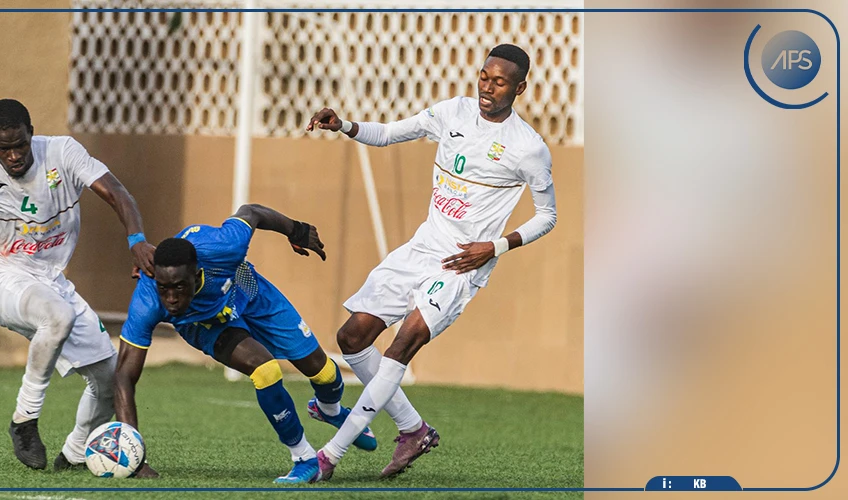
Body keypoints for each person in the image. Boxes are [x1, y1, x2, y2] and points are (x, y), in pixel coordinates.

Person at [304, 44, 558, 480]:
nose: (487, 87)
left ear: (520, 88)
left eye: (499, 82)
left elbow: (548, 215)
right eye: (484, 76)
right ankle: (413, 429)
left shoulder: (528, 148)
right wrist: (343, 125)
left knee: (404, 342)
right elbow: (386, 134)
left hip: (462, 265)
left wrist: (495, 246)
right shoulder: (451, 113)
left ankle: (329, 455)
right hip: (421, 247)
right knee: (352, 336)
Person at [0, 98, 156, 471]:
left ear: (31, 133)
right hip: (1, 279)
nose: (14, 156)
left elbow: (117, 194)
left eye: (20, 145)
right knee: (57, 316)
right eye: (3, 148)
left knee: (109, 378)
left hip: (53, 281)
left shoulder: (62, 152)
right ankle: (25, 421)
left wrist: (137, 240)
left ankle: (75, 454)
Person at [114, 204, 377, 483]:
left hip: (250, 292)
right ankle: (303, 457)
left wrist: (296, 230)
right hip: (205, 325)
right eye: (163, 289)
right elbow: (123, 376)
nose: (171, 299)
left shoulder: (223, 247)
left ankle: (328, 409)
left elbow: (251, 212)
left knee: (323, 372)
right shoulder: (147, 298)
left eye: (179, 287)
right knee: (265, 370)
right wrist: (135, 453)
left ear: (197, 273)